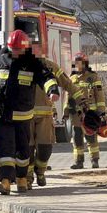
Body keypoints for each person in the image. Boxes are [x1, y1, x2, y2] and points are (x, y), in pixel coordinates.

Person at [0, 29, 60, 195]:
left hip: (23, 115)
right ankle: (5, 182)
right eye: (13, 48)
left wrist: (52, 91)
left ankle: (21, 179)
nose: (15, 52)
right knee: (5, 150)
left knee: (23, 151)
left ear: (26, 48)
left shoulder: (33, 63)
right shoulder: (1, 61)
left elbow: (46, 77)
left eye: (18, 49)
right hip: (3, 113)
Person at [26, 58, 88, 189]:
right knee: (27, 150)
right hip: (25, 115)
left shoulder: (51, 66)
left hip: (45, 116)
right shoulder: (21, 65)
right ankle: (28, 177)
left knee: (45, 149)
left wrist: (81, 100)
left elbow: (68, 84)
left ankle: (41, 172)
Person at [63, 52, 106, 169]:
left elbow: (99, 95)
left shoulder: (93, 77)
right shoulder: (72, 78)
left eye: (79, 62)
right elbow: (67, 96)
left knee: (91, 136)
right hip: (75, 115)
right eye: (75, 62)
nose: (76, 64)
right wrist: (65, 112)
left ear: (85, 63)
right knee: (77, 137)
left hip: (89, 114)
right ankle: (78, 162)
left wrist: (101, 111)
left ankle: (94, 160)